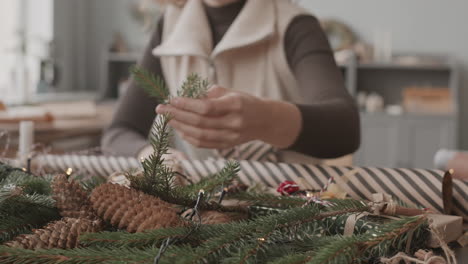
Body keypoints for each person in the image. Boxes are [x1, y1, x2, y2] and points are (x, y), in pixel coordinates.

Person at [102, 0, 361, 164]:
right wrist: (151, 156)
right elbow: (120, 131)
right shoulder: (170, 26)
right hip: (204, 214)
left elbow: (346, 128)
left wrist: (267, 119)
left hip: (291, 216)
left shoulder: (295, 25)